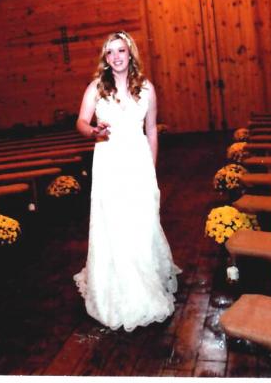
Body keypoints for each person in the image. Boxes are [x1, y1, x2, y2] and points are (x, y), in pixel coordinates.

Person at [73, 30, 181, 332]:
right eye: (110, 53)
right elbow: (80, 121)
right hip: (108, 160)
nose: (116, 57)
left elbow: (152, 130)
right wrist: (92, 131)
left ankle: (144, 276)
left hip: (137, 161)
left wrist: (152, 168)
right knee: (114, 222)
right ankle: (117, 283)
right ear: (105, 59)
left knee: (140, 220)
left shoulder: (146, 88)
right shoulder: (96, 87)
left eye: (121, 51)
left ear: (130, 53)